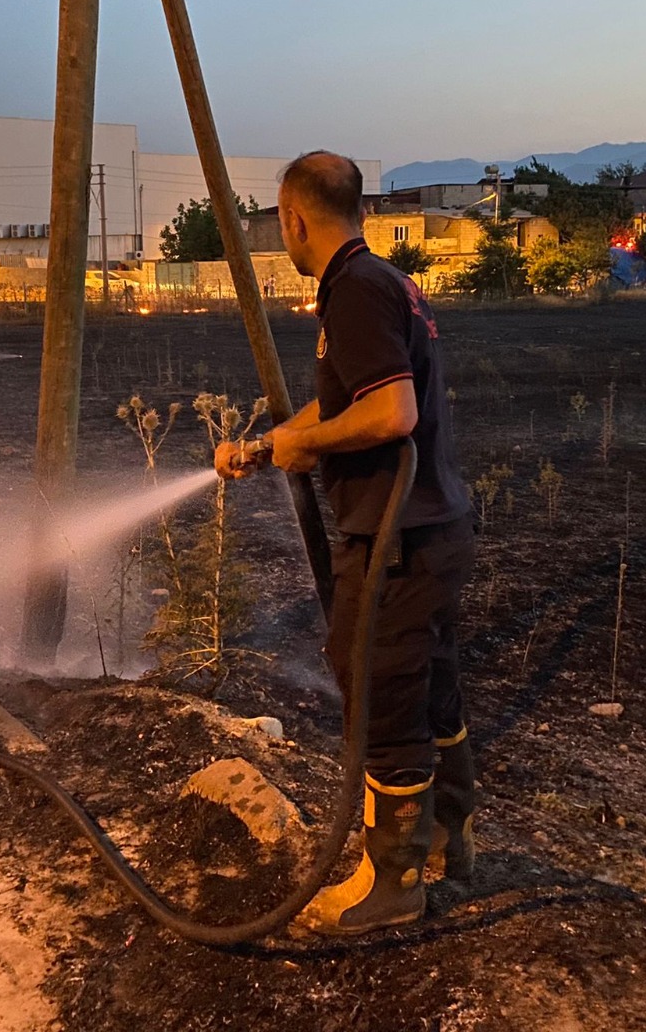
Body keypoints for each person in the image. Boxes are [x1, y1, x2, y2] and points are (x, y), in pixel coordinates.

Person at [214, 150, 476, 935]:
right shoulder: (383, 279)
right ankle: (448, 844)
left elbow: (390, 414)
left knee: (380, 693)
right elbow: (348, 405)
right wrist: (267, 446)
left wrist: (310, 446)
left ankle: (389, 882)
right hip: (432, 530)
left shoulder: (354, 293)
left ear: (293, 218)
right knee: (429, 688)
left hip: (397, 540)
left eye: (279, 224)